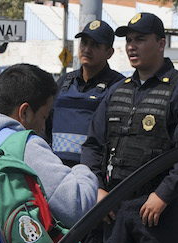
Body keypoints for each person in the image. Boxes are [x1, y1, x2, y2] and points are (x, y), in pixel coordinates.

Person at [81, 12, 178, 243]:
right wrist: (97, 189)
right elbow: (93, 145)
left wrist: (164, 195)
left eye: (140, 39)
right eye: (128, 40)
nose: (132, 46)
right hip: (116, 208)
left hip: (158, 210)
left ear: (161, 43)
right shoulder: (118, 90)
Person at [0, 63, 98, 231]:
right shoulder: (26, 146)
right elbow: (75, 207)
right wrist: (82, 171)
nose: (43, 127)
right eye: (44, 117)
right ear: (25, 112)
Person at [48, 20, 124, 167]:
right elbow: (46, 126)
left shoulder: (119, 86)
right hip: (58, 171)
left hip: (95, 174)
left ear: (109, 53)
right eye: (84, 42)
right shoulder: (63, 82)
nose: (87, 49)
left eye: (95, 45)